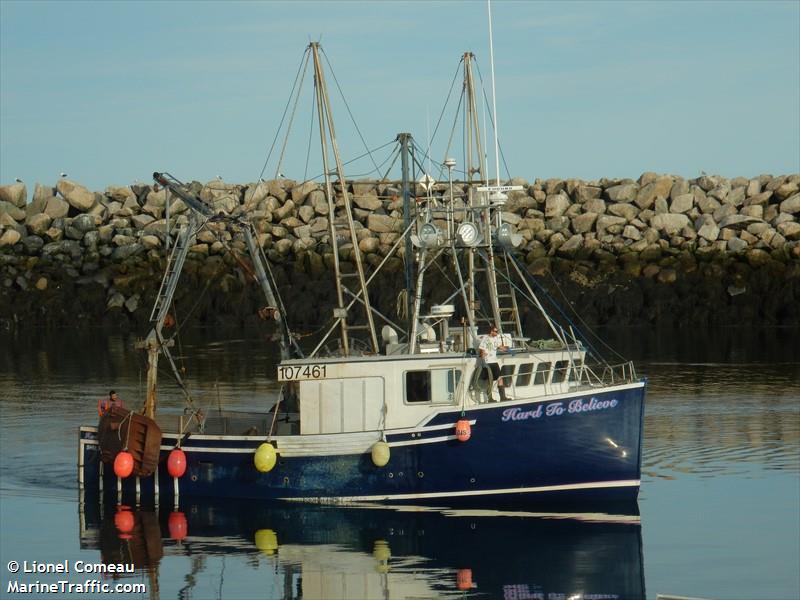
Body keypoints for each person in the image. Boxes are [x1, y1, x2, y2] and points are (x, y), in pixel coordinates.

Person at [478, 326, 509, 401]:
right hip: (488, 362)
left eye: (497, 331)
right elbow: (481, 350)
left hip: (494, 361)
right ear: (491, 331)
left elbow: (499, 346)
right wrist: (483, 359)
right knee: (490, 380)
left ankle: (503, 397)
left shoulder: (496, 338)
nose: (496, 333)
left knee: (500, 378)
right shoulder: (485, 339)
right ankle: (490, 398)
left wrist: (508, 350)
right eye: (495, 331)